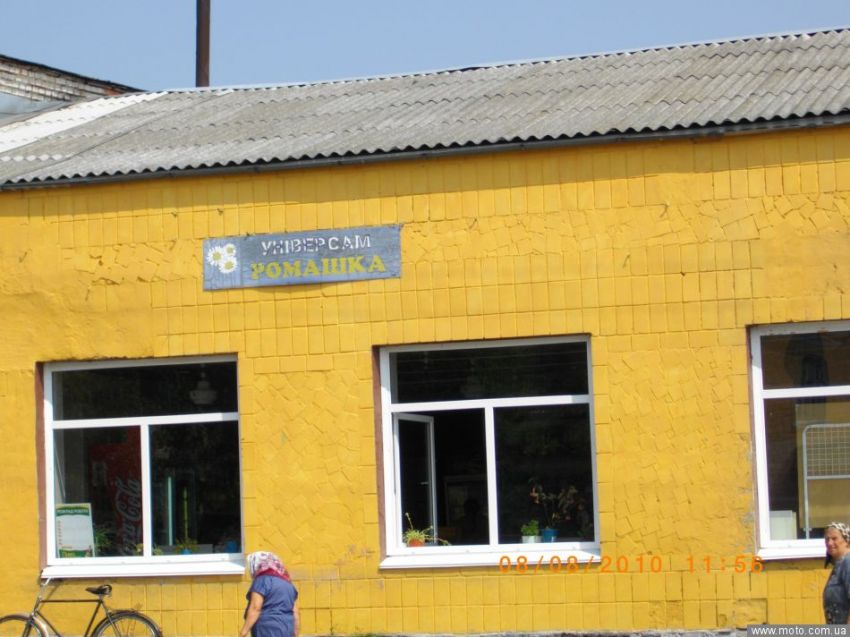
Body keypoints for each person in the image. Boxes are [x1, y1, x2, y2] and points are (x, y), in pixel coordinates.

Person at [239, 551, 300, 637]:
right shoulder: (288, 584)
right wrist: (295, 632)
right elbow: (295, 612)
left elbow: (255, 608)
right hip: (287, 628)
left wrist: (243, 632)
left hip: (266, 629)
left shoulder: (261, 581)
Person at [823, 522, 850, 624]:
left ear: (846, 541)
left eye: (834, 538)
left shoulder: (848, 562)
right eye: (827, 539)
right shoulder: (838, 566)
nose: (829, 543)